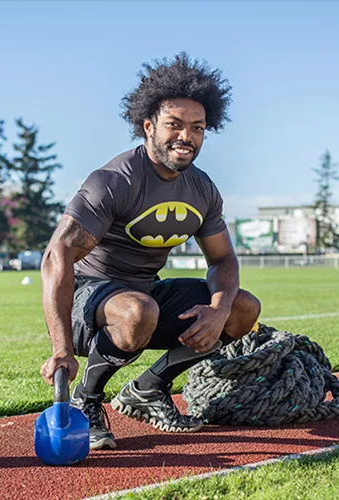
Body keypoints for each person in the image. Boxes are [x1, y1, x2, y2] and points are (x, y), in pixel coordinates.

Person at [40, 53, 261, 450]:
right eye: (174, 125)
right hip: (89, 298)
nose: (186, 137)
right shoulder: (113, 181)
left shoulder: (203, 189)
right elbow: (57, 257)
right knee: (138, 311)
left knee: (243, 307)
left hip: (145, 293)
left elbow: (223, 259)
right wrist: (59, 348)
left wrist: (219, 309)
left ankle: (148, 388)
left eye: (197, 128)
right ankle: (86, 398)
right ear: (148, 126)